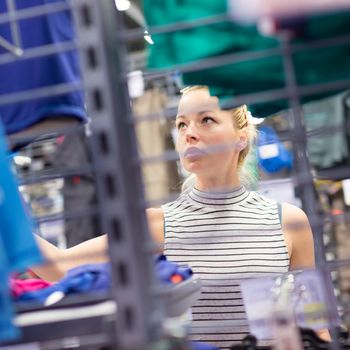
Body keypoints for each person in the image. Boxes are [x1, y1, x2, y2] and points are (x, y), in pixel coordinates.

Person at [34, 85, 328, 348]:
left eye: (206, 120)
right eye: (182, 124)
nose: (189, 132)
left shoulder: (289, 221)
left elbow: (314, 322)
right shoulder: (157, 225)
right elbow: (60, 266)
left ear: (241, 138)